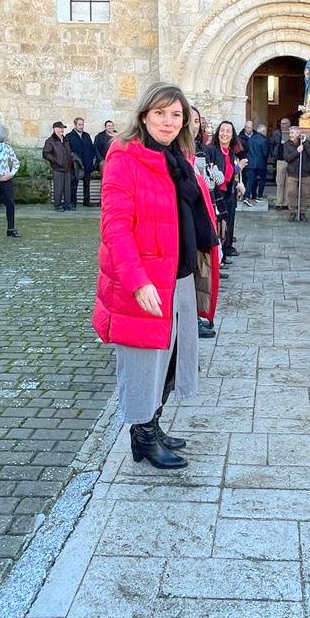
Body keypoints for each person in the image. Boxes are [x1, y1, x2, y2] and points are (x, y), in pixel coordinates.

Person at [92, 82, 220, 470]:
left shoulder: (178, 157)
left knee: (171, 356)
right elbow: (115, 226)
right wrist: (138, 281)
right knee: (143, 361)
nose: (168, 121)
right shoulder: (126, 156)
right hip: (144, 281)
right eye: (160, 113)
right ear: (145, 114)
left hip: (177, 275)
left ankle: (154, 425)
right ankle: (142, 437)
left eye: (176, 115)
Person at [189, 105, 224, 339]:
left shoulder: (198, 150)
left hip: (201, 218)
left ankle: (196, 319)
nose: (194, 125)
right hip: (184, 226)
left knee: (199, 275)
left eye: (196, 121)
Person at [204, 121, 246, 260]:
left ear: (232, 134)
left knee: (228, 222)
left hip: (229, 192)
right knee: (218, 225)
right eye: (222, 130)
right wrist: (238, 168)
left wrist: (239, 182)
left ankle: (225, 251)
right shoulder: (211, 149)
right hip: (216, 194)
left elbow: (231, 174)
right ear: (218, 132)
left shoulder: (231, 151)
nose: (225, 134)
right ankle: (218, 257)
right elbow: (221, 174)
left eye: (228, 131)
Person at [283, 126, 310, 221]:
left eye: (292, 133)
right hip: (292, 172)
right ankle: (292, 212)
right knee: (291, 193)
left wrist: (304, 143)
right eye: (290, 133)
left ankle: (302, 212)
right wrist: (297, 151)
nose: (290, 135)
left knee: (305, 193)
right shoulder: (287, 144)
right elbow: (287, 158)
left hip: (305, 172)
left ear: (298, 134)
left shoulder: (306, 142)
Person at [43, 121, 74, 211]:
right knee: (58, 187)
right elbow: (45, 153)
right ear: (55, 129)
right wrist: (56, 160)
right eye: (61, 128)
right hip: (57, 168)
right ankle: (58, 205)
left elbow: (68, 151)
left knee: (67, 188)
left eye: (63, 128)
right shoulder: (50, 141)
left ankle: (67, 204)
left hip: (67, 167)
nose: (62, 130)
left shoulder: (65, 140)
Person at [67, 117, 98, 208]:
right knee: (74, 184)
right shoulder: (69, 136)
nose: (81, 126)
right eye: (79, 125)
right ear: (75, 125)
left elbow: (91, 148)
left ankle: (86, 201)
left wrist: (92, 158)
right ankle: (73, 202)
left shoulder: (86, 135)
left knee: (87, 184)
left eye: (82, 125)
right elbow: (69, 151)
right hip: (76, 165)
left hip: (87, 164)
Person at [244, 124, 269, 206]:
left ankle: (247, 196)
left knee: (250, 180)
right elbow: (265, 153)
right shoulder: (263, 140)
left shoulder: (250, 139)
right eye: (266, 131)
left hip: (250, 163)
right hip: (260, 163)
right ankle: (259, 196)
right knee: (262, 180)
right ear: (263, 131)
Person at [271, 117, 291, 210]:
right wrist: (273, 154)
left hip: (290, 161)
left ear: (289, 125)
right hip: (280, 160)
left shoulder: (292, 133)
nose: (283, 125)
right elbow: (271, 144)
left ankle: (286, 203)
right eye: (282, 124)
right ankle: (279, 203)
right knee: (280, 182)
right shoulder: (276, 133)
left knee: (288, 183)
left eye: (285, 124)